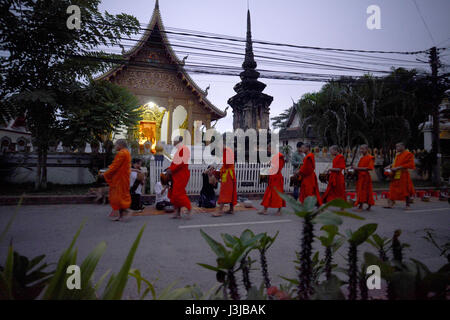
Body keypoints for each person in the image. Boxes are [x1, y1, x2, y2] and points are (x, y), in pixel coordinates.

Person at [100, 139, 132, 222]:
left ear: (120, 145)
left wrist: (105, 174)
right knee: (120, 195)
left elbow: (115, 166)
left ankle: (127, 211)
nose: (115, 147)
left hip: (120, 179)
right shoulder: (126, 152)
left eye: (116, 145)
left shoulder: (122, 153)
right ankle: (120, 215)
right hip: (122, 178)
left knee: (117, 197)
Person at [384, 142, 416, 210]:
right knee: (392, 189)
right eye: (396, 147)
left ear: (403, 147)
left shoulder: (408, 154)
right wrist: (389, 166)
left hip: (403, 174)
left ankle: (408, 205)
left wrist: (398, 168)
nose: (397, 148)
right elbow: (395, 163)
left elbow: (410, 164)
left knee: (405, 190)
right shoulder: (397, 155)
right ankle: (391, 204)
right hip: (395, 174)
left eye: (398, 147)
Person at [167, 136, 192, 219]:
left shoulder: (184, 149)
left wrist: (171, 169)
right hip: (176, 174)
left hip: (181, 175)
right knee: (174, 193)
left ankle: (189, 208)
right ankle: (177, 213)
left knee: (178, 193)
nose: (173, 142)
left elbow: (181, 163)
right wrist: (170, 169)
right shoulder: (179, 150)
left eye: (174, 141)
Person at [259, 143, 286, 216]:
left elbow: (278, 168)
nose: (268, 150)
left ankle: (279, 210)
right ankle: (265, 209)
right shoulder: (273, 156)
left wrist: (270, 168)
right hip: (272, 177)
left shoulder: (279, 156)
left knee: (278, 194)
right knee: (268, 194)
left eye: (269, 149)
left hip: (277, 178)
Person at [213, 147, 237, 217]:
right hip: (230, 174)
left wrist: (220, 171)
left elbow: (226, 164)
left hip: (228, 175)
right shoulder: (228, 150)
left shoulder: (227, 151)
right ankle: (231, 209)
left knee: (224, 192)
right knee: (231, 192)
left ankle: (220, 211)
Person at [353, 145, 375, 211]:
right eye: (360, 149)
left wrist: (357, 168)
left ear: (367, 149)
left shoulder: (371, 157)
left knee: (366, 191)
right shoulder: (362, 158)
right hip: (360, 177)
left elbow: (370, 168)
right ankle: (362, 205)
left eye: (362, 149)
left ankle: (363, 206)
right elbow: (359, 167)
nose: (361, 151)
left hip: (366, 177)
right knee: (360, 191)